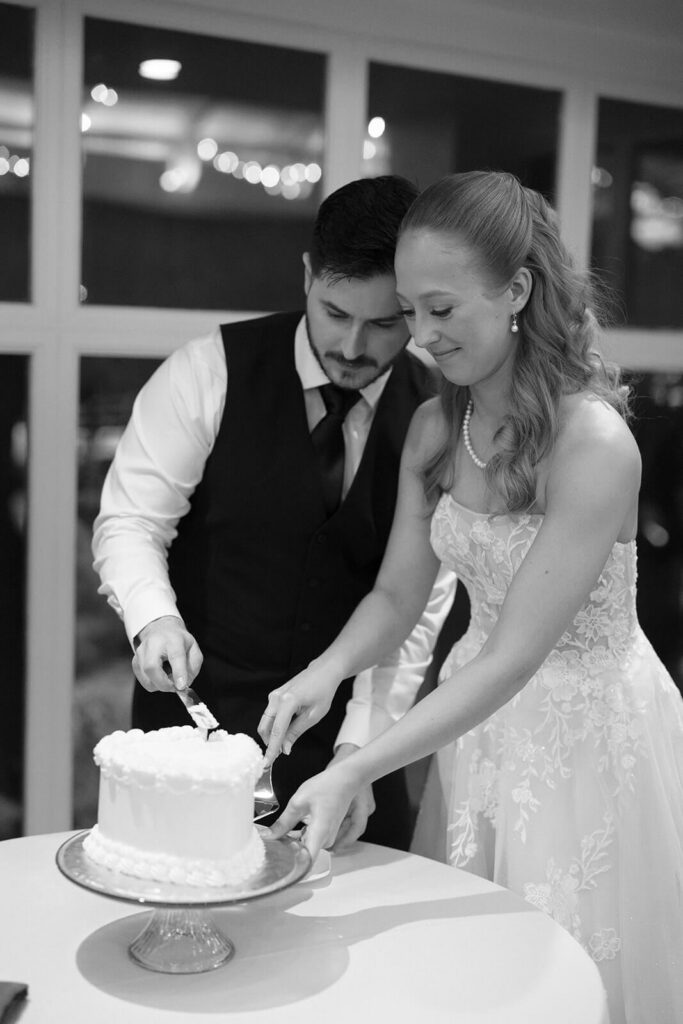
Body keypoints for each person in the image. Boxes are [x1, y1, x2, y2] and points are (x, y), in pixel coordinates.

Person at [259, 171, 683, 1023]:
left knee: (565, 981)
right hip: (476, 730)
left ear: (516, 291)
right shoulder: (432, 429)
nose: (418, 338)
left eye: (441, 309)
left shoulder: (594, 444)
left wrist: (356, 766)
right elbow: (396, 594)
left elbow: (514, 657)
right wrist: (323, 672)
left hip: (583, 741)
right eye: (408, 310)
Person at [92, 174, 455, 852]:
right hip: (194, 737)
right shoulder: (207, 372)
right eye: (335, 313)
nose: (353, 346)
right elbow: (131, 523)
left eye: (385, 323)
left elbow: (416, 612)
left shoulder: (436, 415)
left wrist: (358, 753)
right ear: (308, 275)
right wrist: (155, 619)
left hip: (350, 745)